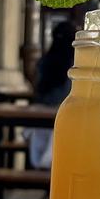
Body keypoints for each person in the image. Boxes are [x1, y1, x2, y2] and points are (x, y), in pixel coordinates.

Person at [26, 21, 78, 168]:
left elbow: (37, 89)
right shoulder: (74, 65)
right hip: (61, 118)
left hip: (38, 117)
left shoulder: (44, 61)